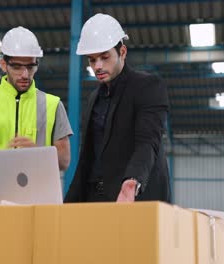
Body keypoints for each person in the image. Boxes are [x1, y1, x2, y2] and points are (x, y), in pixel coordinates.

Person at [0, 26, 72, 205]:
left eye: (30, 66)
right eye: (17, 66)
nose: (25, 74)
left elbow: (64, 161)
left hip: (34, 207)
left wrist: (38, 153)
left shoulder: (52, 105)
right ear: (3, 65)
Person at [64, 14, 170, 203]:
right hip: (95, 199)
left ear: (122, 52)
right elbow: (87, 158)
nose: (98, 66)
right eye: (92, 60)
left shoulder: (148, 87)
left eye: (105, 57)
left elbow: (148, 142)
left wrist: (133, 181)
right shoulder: (93, 99)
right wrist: (68, 205)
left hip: (133, 199)